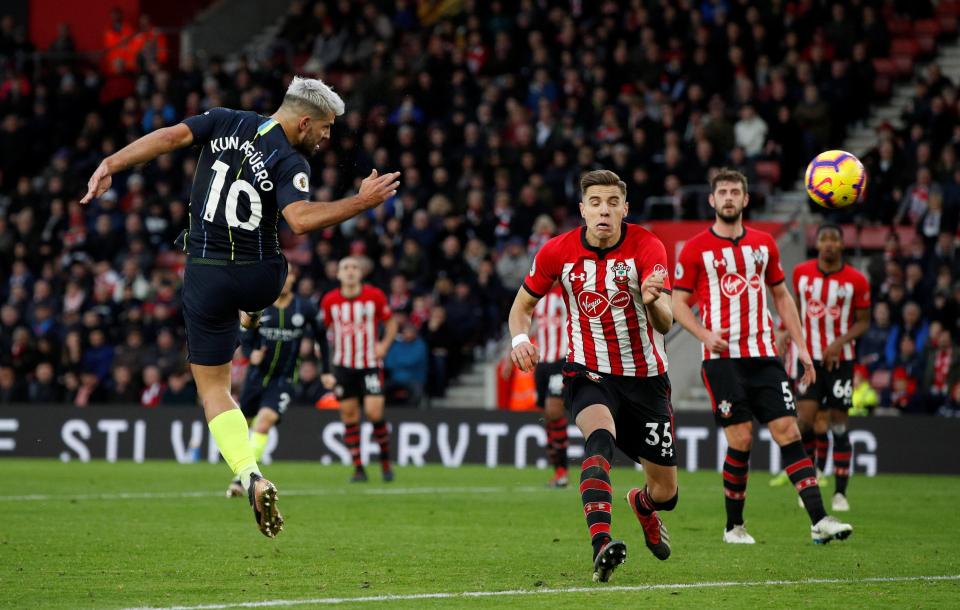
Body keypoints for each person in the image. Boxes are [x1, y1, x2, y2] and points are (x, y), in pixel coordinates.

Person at [81, 76, 401, 538]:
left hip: (204, 274)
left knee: (215, 391)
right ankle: (251, 320)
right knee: (281, 266)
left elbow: (169, 138)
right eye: (327, 127)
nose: (328, 137)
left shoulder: (224, 120)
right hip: (257, 275)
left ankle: (249, 471)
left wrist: (112, 162)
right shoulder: (290, 159)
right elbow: (301, 219)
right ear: (305, 121)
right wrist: (362, 201)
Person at [509, 169, 677, 583]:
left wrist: (652, 300)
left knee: (665, 494)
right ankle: (602, 545)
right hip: (589, 370)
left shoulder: (648, 246)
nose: (604, 210)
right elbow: (522, 308)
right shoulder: (558, 251)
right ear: (583, 210)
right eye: (596, 203)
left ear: (625, 208)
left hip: (647, 379)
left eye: (612, 203)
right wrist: (519, 341)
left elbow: (665, 321)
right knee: (599, 442)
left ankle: (641, 505)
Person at [671, 168, 852, 545]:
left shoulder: (764, 244)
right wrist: (704, 333)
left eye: (735, 191)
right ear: (712, 200)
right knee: (741, 438)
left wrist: (803, 348)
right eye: (722, 192)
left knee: (788, 431)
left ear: (746, 199)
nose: (728, 197)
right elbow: (677, 302)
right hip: (722, 360)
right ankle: (734, 526)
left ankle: (819, 519)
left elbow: (782, 296)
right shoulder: (695, 249)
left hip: (765, 355)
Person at [226, 263, 330, 497]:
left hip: (284, 379)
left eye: (289, 273)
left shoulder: (305, 308)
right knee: (246, 424)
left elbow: (322, 337)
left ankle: (241, 479)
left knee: (264, 422)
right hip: (255, 378)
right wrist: (251, 351)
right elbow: (245, 334)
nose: (284, 278)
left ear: (293, 278)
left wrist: (326, 370)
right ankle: (244, 465)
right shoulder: (259, 305)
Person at [790, 223, 870, 512]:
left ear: (841, 244)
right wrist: (789, 335)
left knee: (838, 425)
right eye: (823, 238)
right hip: (809, 360)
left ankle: (840, 494)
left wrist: (838, 343)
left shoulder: (857, 280)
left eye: (833, 239)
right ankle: (809, 483)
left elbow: (863, 320)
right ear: (817, 243)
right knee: (804, 423)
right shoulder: (800, 273)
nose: (828, 244)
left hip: (841, 362)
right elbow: (797, 311)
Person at [321, 257, 398, 482]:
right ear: (339, 275)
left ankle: (385, 463)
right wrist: (325, 367)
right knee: (349, 416)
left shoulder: (374, 296)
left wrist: (384, 345)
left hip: (370, 365)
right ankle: (358, 468)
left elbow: (391, 322)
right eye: (345, 268)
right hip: (343, 366)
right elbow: (321, 332)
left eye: (354, 267)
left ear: (361, 273)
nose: (350, 271)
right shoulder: (330, 301)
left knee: (375, 413)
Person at [531, 282, 570, 487]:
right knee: (546, 416)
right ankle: (558, 472)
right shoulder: (538, 296)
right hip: (542, 364)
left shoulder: (566, 293)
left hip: (560, 361)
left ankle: (563, 471)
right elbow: (532, 326)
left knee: (554, 412)